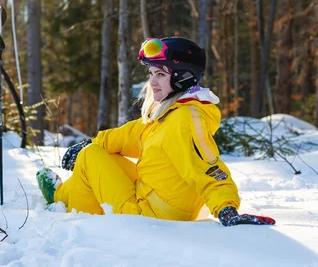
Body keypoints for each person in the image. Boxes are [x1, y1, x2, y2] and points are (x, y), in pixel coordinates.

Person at [37, 36, 275, 227]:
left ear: (183, 77)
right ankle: (66, 193)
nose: (152, 82)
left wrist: (226, 208)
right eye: (150, 74)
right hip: (152, 198)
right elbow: (133, 134)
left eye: (160, 74)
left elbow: (206, 166)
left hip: (151, 217)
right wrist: (92, 140)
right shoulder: (170, 113)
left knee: (91, 157)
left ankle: (66, 206)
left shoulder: (184, 119)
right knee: (99, 150)